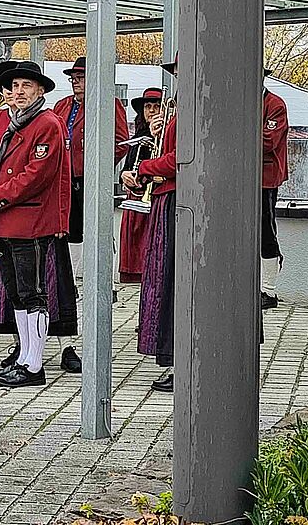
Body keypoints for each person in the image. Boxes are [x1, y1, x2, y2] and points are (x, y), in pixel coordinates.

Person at [0, 61, 79, 374]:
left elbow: (37, 174)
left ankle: (34, 365)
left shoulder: (48, 122)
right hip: (4, 217)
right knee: (17, 292)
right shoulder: (4, 121)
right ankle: (23, 358)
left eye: (27, 86)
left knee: (33, 293)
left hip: (31, 219)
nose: (19, 92)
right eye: (15, 86)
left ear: (40, 91)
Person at [51, 56, 129, 365]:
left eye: (81, 77)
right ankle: (70, 280)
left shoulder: (108, 104)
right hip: (62, 179)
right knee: (65, 241)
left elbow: (121, 142)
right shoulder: (61, 106)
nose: (75, 81)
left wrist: (97, 165)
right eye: (73, 77)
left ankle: (97, 280)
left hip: (88, 180)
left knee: (89, 235)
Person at [124, 59, 178, 393]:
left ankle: (177, 358)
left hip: (172, 199)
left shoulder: (190, 108)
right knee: (161, 280)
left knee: (170, 281)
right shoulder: (178, 109)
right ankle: (171, 356)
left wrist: (146, 165)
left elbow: (180, 157)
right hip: (161, 196)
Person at [118, 87, 163, 284]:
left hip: (155, 198)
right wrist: (124, 175)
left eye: (156, 106)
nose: (151, 111)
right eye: (147, 107)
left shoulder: (166, 136)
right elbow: (128, 166)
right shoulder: (138, 139)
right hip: (135, 198)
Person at [261, 74, 290, 310]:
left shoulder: (275, 104)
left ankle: (268, 290)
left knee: (266, 231)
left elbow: (268, 141)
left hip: (266, 178)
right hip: (245, 176)